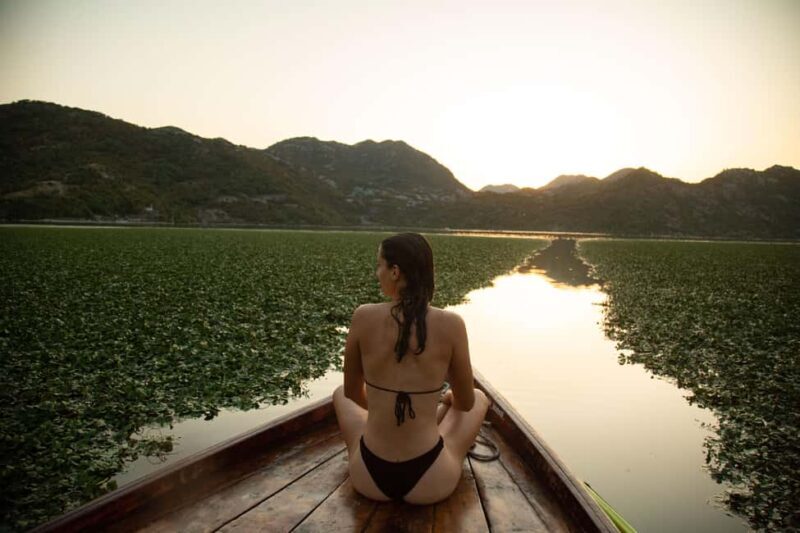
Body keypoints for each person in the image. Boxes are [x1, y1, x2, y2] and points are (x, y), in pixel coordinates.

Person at [332, 233, 491, 504]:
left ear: (395, 272)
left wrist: (385, 410)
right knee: (480, 399)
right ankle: (431, 422)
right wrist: (449, 400)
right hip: (431, 480)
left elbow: (351, 391)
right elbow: (465, 403)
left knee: (339, 394)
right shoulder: (451, 324)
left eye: (379, 265)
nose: (376, 273)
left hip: (368, 477)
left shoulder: (362, 316)